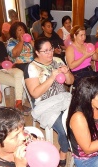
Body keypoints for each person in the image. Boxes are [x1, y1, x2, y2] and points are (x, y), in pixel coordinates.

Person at [24, 37, 74, 167]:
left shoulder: (57, 60)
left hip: (63, 98)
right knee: (64, 128)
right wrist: (51, 77)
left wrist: (67, 73)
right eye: (45, 51)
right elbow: (35, 93)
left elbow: (70, 82)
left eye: (51, 49)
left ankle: (73, 147)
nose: (50, 53)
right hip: (45, 104)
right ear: (37, 52)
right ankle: (63, 152)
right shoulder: (32, 67)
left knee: (78, 120)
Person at [0, 25, 28, 113]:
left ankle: (18, 103)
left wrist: (9, 64)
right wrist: (2, 64)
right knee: (19, 82)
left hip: (6, 68)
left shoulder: (1, 44)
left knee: (19, 72)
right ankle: (19, 104)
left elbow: (6, 59)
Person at [66, 25, 98, 98]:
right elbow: (71, 66)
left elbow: (97, 59)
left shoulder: (86, 45)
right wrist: (84, 56)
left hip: (89, 71)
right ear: (75, 36)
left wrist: (93, 52)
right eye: (81, 35)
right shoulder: (70, 48)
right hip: (78, 74)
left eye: (84, 35)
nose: (84, 37)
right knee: (94, 90)